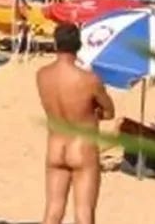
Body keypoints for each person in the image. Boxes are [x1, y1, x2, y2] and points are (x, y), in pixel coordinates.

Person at [36, 24, 114, 224]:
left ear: (55, 44)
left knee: (52, 211)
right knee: (84, 212)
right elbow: (109, 112)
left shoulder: (42, 75)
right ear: (79, 45)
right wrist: (93, 114)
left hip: (55, 147)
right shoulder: (89, 80)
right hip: (82, 149)